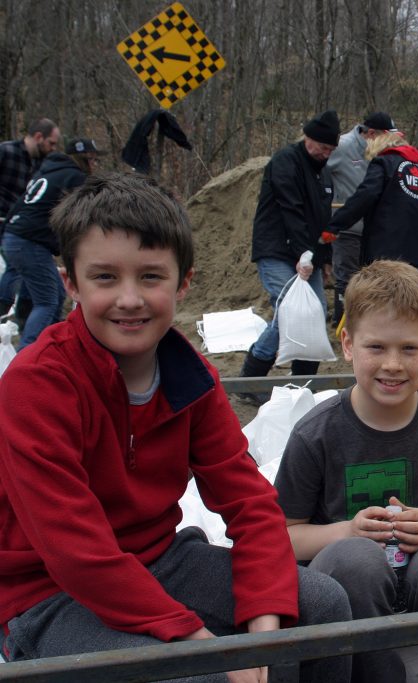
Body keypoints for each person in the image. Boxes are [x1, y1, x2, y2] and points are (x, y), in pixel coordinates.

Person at [0, 172, 352, 681]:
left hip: (161, 560)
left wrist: (266, 616)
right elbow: (75, 551)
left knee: (320, 608)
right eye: (104, 278)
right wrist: (197, 639)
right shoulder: (37, 385)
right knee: (196, 674)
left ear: (183, 282)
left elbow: (249, 503)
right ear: (70, 283)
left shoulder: (192, 378)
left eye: (150, 277)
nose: (129, 299)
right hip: (48, 593)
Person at [274, 259, 418, 682]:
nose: (393, 364)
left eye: (409, 349)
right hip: (342, 582)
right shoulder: (315, 434)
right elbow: (283, 535)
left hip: (417, 574)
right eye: (376, 348)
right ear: (349, 345)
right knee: (357, 561)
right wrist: (345, 532)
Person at [243, 110, 339, 389]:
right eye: (323, 147)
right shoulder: (286, 162)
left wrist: (324, 257)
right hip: (276, 248)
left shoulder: (324, 173)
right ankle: (250, 379)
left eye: (332, 149)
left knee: (316, 311)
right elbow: (291, 211)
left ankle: (302, 381)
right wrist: (303, 254)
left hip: (309, 253)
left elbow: (323, 220)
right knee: (290, 311)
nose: (327, 154)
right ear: (308, 138)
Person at [1, 138, 104, 348]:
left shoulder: (47, 171)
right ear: (82, 158)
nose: (95, 164)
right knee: (48, 300)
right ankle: (28, 351)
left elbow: (20, 204)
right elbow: (80, 219)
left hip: (14, 235)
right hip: (30, 241)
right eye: (92, 159)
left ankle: (31, 330)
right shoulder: (76, 177)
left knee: (48, 290)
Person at [326, 132, 418, 279]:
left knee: (385, 300)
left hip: (387, 257)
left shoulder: (384, 164)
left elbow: (364, 197)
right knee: (416, 301)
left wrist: (334, 226)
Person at [325, 111, 396, 325]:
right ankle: (342, 322)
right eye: (386, 137)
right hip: (346, 225)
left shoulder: (381, 153)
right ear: (371, 133)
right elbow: (317, 171)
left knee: (370, 277)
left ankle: (364, 320)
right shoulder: (343, 147)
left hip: (373, 227)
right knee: (347, 276)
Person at [0, 118, 61, 323]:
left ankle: (20, 314)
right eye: (51, 143)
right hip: (6, 222)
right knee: (13, 267)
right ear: (38, 137)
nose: (53, 148)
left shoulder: (41, 164)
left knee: (18, 267)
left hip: (20, 225)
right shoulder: (6, 151)